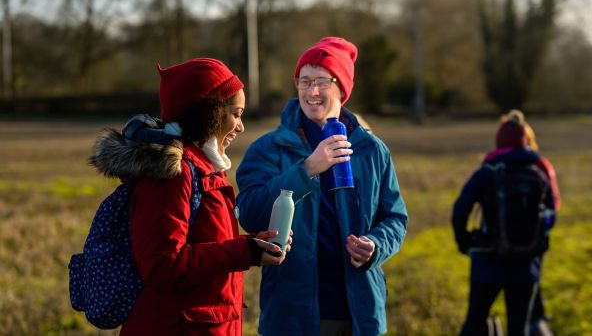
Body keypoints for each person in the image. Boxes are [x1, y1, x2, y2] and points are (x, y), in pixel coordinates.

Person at [90, 58, 291, 336]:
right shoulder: (173, 174)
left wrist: (253, 245)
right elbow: (162, 264)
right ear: (210, 114)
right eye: (237, 114)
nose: (241, 126)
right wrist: (245, 252)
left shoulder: (205, 169)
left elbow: (206, 246)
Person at [235, 36, 409, 336]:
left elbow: (395, 218)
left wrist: (376, 246)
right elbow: (250, 213)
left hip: (360, 313)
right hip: (291, 315)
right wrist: (307, 169)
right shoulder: (267, 149)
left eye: (322, 81)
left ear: (342, 88)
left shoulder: (372, 150)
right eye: (303, 82)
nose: (311, 91)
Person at [452, 110, 559, 335]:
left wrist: (466, 243)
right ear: (525, 140)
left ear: (498, 142)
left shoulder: (486, 173)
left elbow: (460, 210)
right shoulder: (538, 172)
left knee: (474, 322)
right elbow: (551, 215)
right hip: (526, 266)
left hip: (487, 262)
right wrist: (536, 244)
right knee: (518, 328)